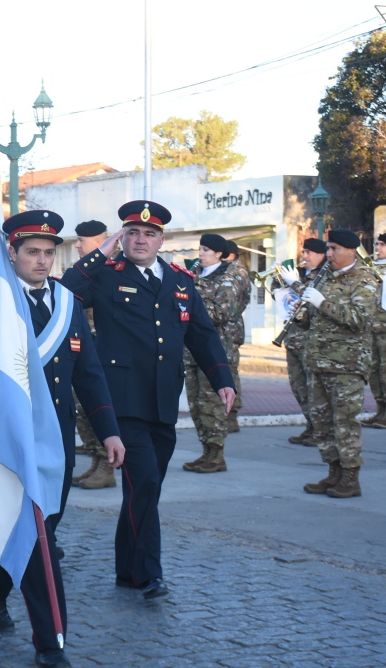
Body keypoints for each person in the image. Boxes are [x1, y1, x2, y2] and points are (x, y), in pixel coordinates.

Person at [0, 209, 124, 668]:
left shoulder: (66, 302)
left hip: (59, 438)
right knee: (38, 531)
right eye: (32, 252)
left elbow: (89, 375)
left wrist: (108, 432)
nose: (42, 261)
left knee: (43, 524)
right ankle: (51, 641)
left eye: (49, 253)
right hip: (13, 441)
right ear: (14, 253)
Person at [61, 200, 234, 600]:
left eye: (149, 234)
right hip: (121, 402)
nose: (140, 240)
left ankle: (127, 570)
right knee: (146, 483)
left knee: (144, 490)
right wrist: (98, 255)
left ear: (162, 240)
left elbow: (203, 335)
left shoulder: (179, 280)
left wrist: (221, 378)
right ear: (122, 237)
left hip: (161, 402)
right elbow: (66, 293)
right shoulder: (105, 275)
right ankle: (150, 573)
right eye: (132, 233)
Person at [294, 229, 378, 498]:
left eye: (335, 249)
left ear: (352, 251)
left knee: (344, 422)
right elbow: (314, 319)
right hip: (319, 361)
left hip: (347, 365)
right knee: (322, 422)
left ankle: (350, 479)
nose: (329, 254)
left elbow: (358, 318)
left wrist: (322, 303)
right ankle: (333, 472)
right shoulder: (325, 277)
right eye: (328, 249)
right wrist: (301, 315)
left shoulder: (365, 279)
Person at [182, 234, 242, 473]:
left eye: (206, 250)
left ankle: (217, 454)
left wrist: (188, 305)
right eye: (200, 249)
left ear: (219, 254)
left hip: (216, 351)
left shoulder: (229, 278)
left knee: (211, 404)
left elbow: (221, 312)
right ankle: (205, 451)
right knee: (196, 404)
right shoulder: (194, 276)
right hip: (190, 351)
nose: (201, 254)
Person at [69, 220, 115, 490]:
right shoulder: (83, 272)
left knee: (99, 409)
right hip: (84, 353)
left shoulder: (111, 272)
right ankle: (97, 461)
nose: (76, 245)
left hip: (103, 355)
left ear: (99, 244)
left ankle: (107, 467)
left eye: (81, 241)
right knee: (83, 410)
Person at [275, 238, 328, 446]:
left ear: (321, 255)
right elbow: (280, 297)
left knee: (314, 388)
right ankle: (310, 425)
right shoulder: (299, 272)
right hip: (293, 338)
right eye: (304, 252)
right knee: (298, 386)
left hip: (311, 339)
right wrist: (278, 279)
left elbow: (310, 295)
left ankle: (320, 429)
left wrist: (294, 283)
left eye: (309, 253)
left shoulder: (324, 275)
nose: (304, 256)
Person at [360, 232, 386, 429]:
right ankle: (380, 409)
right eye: (376, 244)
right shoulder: (370, 266)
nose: (378, 248)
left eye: (382, 245)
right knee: (374, 370)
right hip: (371, 325)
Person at [222, 240, 249, 433]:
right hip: (226, 329)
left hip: (231, 329)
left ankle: (232, 415)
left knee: (230, 372)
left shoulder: (238, 272)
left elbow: (236, 303)